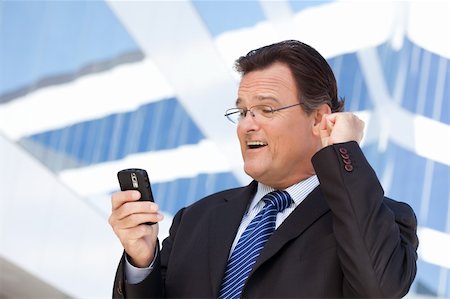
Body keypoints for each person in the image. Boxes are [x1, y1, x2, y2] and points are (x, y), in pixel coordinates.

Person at [109, 40, 418, 298]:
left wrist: (343, 151)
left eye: (266, 109)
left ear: (318, 119)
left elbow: (378, 288)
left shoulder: (381, 222)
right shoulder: (195, 220)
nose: (247, 125)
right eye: (243, 111)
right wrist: (142, 261)